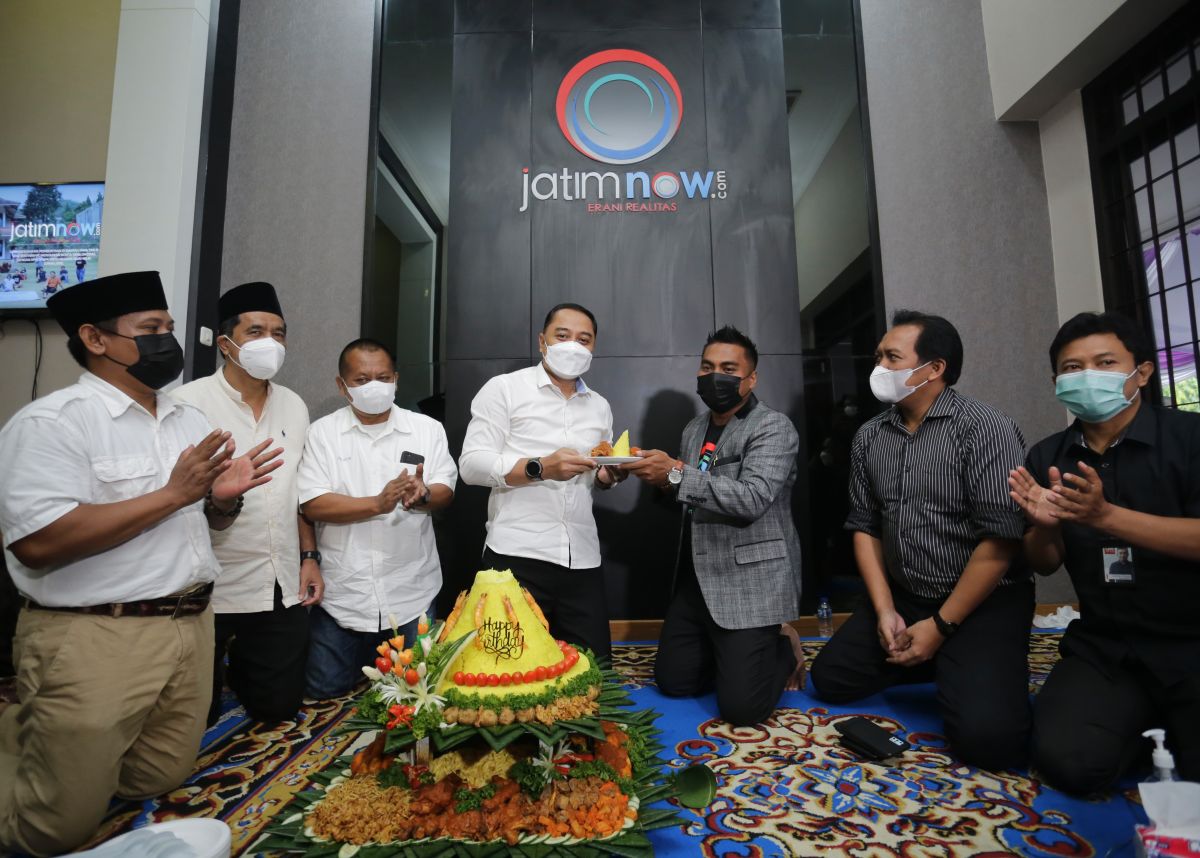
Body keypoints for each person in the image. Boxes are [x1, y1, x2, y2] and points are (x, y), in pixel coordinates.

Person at [0, 271, 282, 856]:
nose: (167, 343)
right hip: (95, 633)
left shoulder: (188, 421)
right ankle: (22, 738)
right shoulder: (53, 422)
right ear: (95, 339)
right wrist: (176, 493)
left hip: (187, 628)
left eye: (170, 330)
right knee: (50, 830)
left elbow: (206, 523)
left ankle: (45, 742)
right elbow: (38, 542)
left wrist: (222, 501)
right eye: (150, 330)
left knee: (156, 778)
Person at [809, 310, 1033, 770]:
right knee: (829, 679)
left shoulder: (985, 429)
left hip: (982, 602)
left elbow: (1002, 541)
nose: (879, 368)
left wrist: (942, 627)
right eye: (879, 357)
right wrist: (886, 607)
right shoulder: (870, 436)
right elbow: (866, 526)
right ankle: (939, 659)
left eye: (892, 357)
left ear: (935, 368)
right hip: (908, 596)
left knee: (989, 742)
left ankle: (962, 657)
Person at [1009, 311, 1200, 792]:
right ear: (1056, 382)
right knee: (1069, 764)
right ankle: (1140, 728)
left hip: (1191, 640)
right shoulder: (1047, 456)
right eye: (1072, 368)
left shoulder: (1191, 438)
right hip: (1106, 646)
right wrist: (1045, 529)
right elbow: (1043, 561)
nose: (1087, 375)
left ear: (1143, 371)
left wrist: (1106, 517)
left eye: (1105, 361)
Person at [625, 326, 805, 726]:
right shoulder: (694, 429)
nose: (714, 376)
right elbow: (692, 494)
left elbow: (752, 498)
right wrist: (647, 475)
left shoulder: (772, 427)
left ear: (751, 378)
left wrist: (673, 475)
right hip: (698, 579)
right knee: (673, 682)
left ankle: (781, 646)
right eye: (707, 367)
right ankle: (729, 652)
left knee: (742, 710)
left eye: (728, 368)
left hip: (750, 581)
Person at [173, 281, 322, 725]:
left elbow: (299, 491)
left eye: (279, 334)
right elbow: (169, 502)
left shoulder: (294, 406)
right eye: (256, 332)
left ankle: (240, 668)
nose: (270, 343)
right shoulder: (187, 405)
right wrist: (217, 496)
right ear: (226, 343)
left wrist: (309, 556)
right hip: (208, 584)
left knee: (277, 710)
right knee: (195, 718)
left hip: (277, 580)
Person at [459, 303, 623, 664]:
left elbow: (597, 474)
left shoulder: (600, 406)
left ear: (594, 348)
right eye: (562, 336)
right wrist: (540, 468)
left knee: (594, 674)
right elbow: (470, 465)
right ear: (542, 341)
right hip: (517, 554)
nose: (572, 346)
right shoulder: (504, 389)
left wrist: (608, 475)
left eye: (584, 339)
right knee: (509, 674)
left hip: (581, 555)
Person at [298, 339, 457, 698]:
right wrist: (377, 503)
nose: (374, 386)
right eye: (361, 380)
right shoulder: (322, 433)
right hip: (343, 590)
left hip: (411, 587)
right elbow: (312, 504)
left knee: (420, 691)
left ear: (396, 380)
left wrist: (423, 495)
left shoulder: (426, 429)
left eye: (383, 377)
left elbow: (446, 489)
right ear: (342, 386)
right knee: (325, 689)